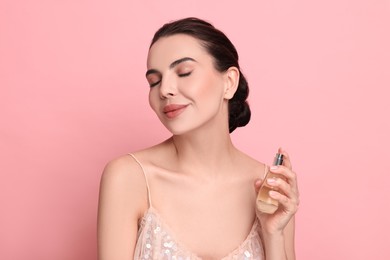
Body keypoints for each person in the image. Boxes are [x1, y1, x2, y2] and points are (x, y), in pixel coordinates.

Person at [97, 17, 299, 260]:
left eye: (184, 72)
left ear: (229, 82)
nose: (165, 90)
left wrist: (273, 234)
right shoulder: (129, 177)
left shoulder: (270, 189)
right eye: (154, 81)